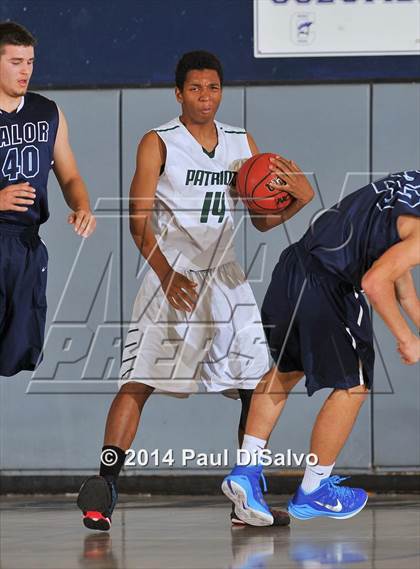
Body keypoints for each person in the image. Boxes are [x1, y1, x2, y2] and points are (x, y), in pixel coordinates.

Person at [77, 50, 313, 531]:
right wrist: (165, 274)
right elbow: (137, 221)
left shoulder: (239, 141)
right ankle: (104, 486)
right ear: (179, 93)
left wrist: (300, 199)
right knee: (138, 382)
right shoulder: (158, 142)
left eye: (214, 88)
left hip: (225, 275)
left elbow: (263, 221)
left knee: (256, 383)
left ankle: (245, 496)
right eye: (196, 89)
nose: (206, 97)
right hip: (171, 272)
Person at [222, 168, 420, 525]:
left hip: (292, 268)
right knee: (353, 386)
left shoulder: (410, 184)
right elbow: (376, 281)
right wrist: (406, 339)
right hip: (330, 284)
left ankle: (245, 473)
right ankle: (315, 488)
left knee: (283, 372)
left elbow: (396, 272)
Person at [0, 21, 96, 377]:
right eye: (15, 61)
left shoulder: (47, 112)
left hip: (26, 247)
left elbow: (70, 175)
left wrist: (82, 206)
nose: (25, 70)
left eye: (30, 61)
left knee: (15, 357)